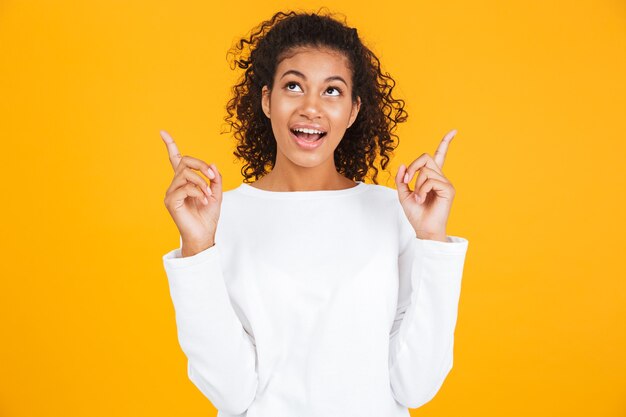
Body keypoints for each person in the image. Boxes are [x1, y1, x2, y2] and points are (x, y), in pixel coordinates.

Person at [161, 10, 469, 417]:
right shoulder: (218, 217)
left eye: (332, 91)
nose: (311, 108)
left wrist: (433, 242)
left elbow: (415, 385)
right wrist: (197, 248)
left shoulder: (396, 212)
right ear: (267, 100)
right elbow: (230, 393)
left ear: (354, 110)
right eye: (294, 86)